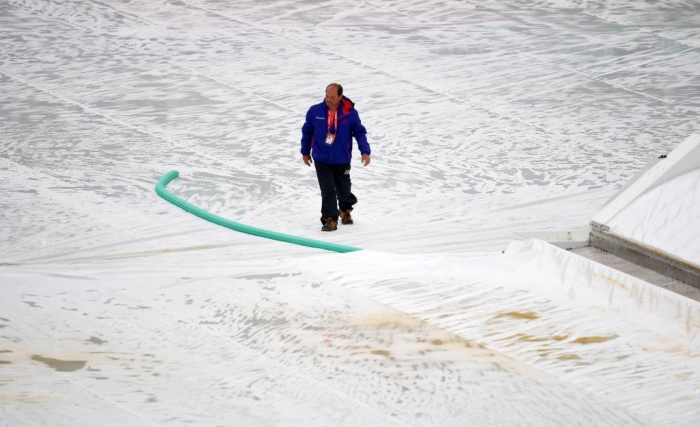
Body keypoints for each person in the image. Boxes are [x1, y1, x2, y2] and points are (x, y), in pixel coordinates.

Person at [301, 83, 371, 231]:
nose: (328, 99)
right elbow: (307, 131)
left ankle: (345, 210)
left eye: (332, 97)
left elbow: (359, 132)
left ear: (340, 97)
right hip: (321, 158)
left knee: (344, 189)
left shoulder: (350, 113)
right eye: (327, 96)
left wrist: (365, 151)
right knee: (327, 189)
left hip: (342, 159)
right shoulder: (315, 111)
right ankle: (330, 219)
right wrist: (305, 152)